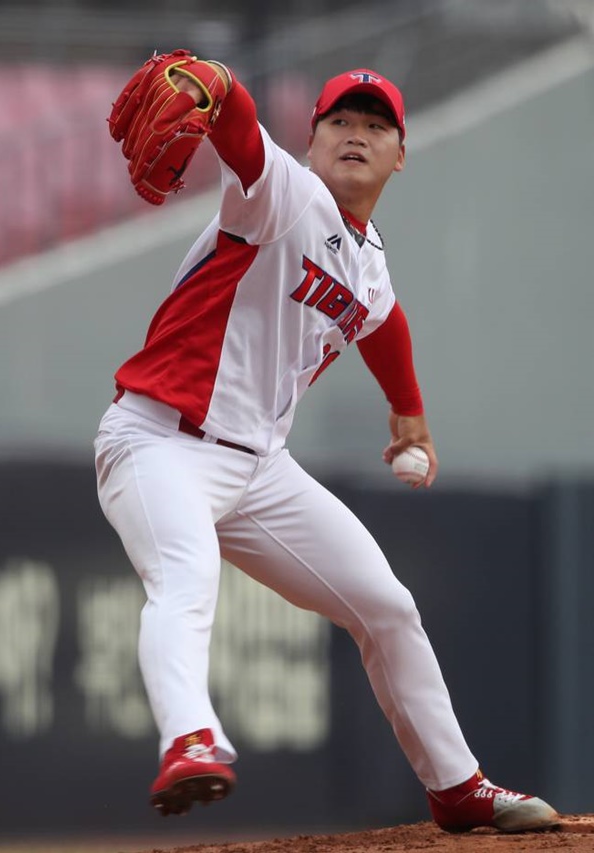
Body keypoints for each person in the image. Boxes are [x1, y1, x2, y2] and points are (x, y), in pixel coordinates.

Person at [94, 60, 559, 833]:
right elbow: (239, 131)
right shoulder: (283, 192)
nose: (358, 135)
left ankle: (457, 786)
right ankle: (190, 738)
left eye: (377, 126)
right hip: (159, 442)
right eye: (341, 121)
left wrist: (409, 411)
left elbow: (385, 323)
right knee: (184, 574)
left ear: (400, 155)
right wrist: (221, 83)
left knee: (387, 606)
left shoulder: (369, 257)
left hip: (259, 471)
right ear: (310, 142)